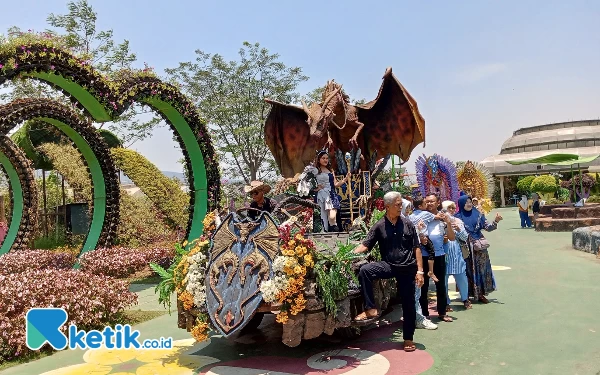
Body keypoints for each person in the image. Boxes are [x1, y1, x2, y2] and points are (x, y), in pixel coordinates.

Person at [353, 191, 424, 352]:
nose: (401, 207)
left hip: (407, 269)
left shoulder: (408, 224)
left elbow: (416, 248)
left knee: (409, 305)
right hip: (389, 266)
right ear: (387, 207)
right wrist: (347, 256)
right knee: (365, 270)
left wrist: (420, 271)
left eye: (401, 204)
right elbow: (366, 245)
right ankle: (370, 308)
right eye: (398, 205)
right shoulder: (379, 226)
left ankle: (408, 338)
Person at [454, 195, 503, 303]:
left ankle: (480, 294)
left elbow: (488, 227)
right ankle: (466, 296)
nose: (469, 204)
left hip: (479, 248)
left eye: (470, 202)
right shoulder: (456, 217)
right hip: (465, 248)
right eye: (466, 202)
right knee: (466, 271)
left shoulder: (478, 215)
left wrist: (496, 221)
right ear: (461, 204)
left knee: (481, 270)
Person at [418, 194, 455, 322]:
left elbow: (451, 238)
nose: (429, 204)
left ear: (438, 202)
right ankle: (424, 314)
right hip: (422, 256)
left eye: (432, 201)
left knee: (441, 285)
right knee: (423, 286)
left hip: (439, 256)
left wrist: (448, 224)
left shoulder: (443, 217)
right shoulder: (420, 216)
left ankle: (442, 312)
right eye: (427, 202)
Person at [441, 200, 471, 310]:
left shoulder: (458, 221)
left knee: (462, 278)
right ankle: (446, 302)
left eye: (454, 208)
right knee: (443, 280)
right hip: (444, 254)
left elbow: (464, 238)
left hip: (457, 254)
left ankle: (465, 299)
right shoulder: (439, 221)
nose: (452, 210)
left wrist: (458, 229)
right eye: (449, 208)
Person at [313, 149, 350, 232]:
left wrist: (345, 179)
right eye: (323, 158)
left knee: (332, 217)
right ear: (319, 159)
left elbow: (335, 184)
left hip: (331, 195)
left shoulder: (331, 171)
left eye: (327, 158)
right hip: (319, 196)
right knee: (322, 216)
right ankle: (325, 232)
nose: (325, 160)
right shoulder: (314, 171)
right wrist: (315, 187)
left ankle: (334, 228)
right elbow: (309, 183)